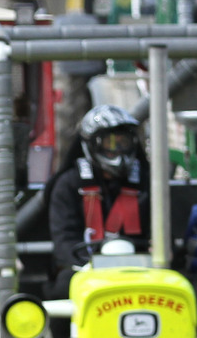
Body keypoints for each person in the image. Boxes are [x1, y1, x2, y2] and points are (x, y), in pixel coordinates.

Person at [50, 105, 149, 275]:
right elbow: (64, 241)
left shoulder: (146, 183)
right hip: (86, 273)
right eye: (110, 143)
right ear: (93, 144)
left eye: (123, 142)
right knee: (64, 280)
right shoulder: (69, 185)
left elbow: (160, 236)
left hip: (140, 272)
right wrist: (87, 267)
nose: (118, 150)